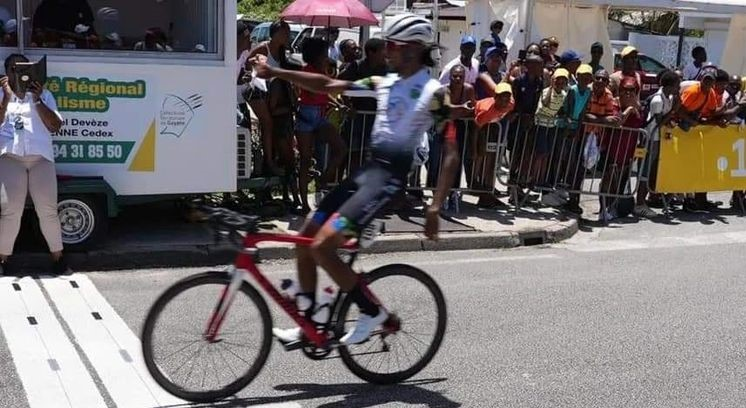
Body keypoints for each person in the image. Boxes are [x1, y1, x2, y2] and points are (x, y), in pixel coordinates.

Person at [257, 13, 467, 345]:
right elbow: (328, 85)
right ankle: (311, 323)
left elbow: (452, 152)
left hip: (386, 181)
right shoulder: (385, 83)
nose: (386, 52)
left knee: (324, 248)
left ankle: (373, 312)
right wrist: (276, 71)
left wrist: (434, 207)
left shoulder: (433, 93)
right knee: (305, 238)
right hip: (366, 173)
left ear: (412, 49)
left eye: (392, 46)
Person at [0, 54, 68, 276]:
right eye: (13, 68)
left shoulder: (44, 94)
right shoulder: (1, 95)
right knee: (10, 211)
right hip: (11, 158)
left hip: (41, 159)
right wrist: (6, 98)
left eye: (22, 67)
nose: (17, 72)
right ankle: (3, 259)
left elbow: (55, 126)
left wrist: (37, 100)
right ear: (7, 72)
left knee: (48, 210)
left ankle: (58, 258)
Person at [295, 37, 346, 215]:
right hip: (307, 116)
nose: (327, 56)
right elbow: (314, 90)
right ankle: (304, 203)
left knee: (339, 148)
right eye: (324, 53)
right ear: (316, 55)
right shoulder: (307, 71)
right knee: (305, 160)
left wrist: (337, 104)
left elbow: (323, 94)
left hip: (320, 115)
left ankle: (322, 180)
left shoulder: (320, 71)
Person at [247, 20, 291, 177]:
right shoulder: (263, 48)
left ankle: (272, 161)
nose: (287, 35)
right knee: (268, 123)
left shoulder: (282, 52)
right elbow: (246, 66)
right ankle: (269, 163)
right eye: (285, 32)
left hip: (272, 96)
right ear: (276, 34)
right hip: (257, 92)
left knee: (275, 127)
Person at [639, 70, 680, 212]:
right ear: (671, 85)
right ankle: (639, 203)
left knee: (654, 171)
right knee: (646, 170)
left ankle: (651, 198)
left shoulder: (668, 97)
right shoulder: (658, 100)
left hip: (660, 139)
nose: (678, 89)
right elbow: (659, 123)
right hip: (651, 138)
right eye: (677, 85)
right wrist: (673, 111)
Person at [534, 68, 569, 189]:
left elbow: (559, 109)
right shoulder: (546, 91)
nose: (560, 84)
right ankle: (535, 178)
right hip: (541, 125)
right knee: (540, 153)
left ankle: (542, 178)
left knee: (547, 153)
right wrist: (550, 87)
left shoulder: (564, 95)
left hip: (551, 125)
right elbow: (545, 104)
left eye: (563, 81)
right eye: (558, 81)